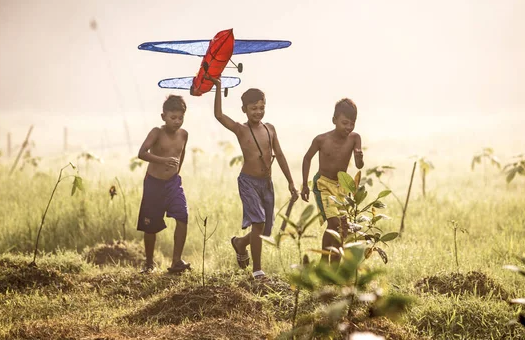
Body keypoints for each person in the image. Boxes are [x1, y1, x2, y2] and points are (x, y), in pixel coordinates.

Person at [208, 75, 298, 280]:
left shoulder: (270, 129)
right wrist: (218, 86)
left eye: (261, 107)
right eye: (253, 108)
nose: (258, 112)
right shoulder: (241, 129)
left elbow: (280, 155)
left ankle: (240, 243)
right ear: (244, 110)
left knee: (265, 230)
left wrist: (291, 182)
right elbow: (219, 115)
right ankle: (258, 270)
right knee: (258, 223)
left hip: (266, 183)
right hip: (248, 182)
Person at [301, 98, 364, 265]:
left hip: (341, 186)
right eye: (345, 123)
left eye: (352, 123)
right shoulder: (321, 140)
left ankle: (334, 264)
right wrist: (304, 184)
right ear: (334, 120)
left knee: (342, 227)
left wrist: (359, 157)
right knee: (334, 223)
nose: (348, 127)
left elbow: (359, 165)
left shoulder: (355, 138)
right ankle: (324, 259)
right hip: (323, 184)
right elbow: (307, 159)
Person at [136, 94, 190, 273]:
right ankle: (149, 263)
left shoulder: (184, 134)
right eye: (173, 117)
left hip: (173, 183)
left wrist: (176, 172)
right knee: (150, 225)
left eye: (180, 117)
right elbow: (142, 153)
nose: (177, 121)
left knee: (182, 216)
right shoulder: (156, 132)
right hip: (154, 184)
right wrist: (163, 161)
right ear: (163, 117)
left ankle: (176, 261)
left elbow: (181, 155)